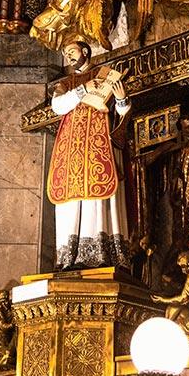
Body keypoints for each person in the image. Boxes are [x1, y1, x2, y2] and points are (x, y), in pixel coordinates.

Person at [47, 41, 132, 270]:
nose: (68, 56)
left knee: (97, 199)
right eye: (65, 54)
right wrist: (84, 89)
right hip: (71, 150)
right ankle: (69, 258)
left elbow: (120, 112)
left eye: (72, 51)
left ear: (85, 51)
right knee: (71, 202)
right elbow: (58, 106)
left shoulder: (105, 75)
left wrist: (122, 100)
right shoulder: (66, 83)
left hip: (98, 147)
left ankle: (101, 255)